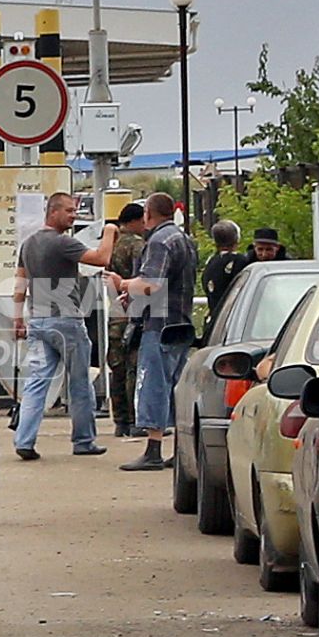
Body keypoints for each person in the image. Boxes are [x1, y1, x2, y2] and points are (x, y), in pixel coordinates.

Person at [11, 192, 116, 460]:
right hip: (66, 320)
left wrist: (18, 317)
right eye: (69, 211)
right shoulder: (62, 243)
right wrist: (110, 231)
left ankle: (24, 439)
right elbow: (102, 259)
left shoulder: (28, 244)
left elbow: (20, 284)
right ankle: (83, 440)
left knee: (37, 382)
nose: (73, 216)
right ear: (53, 212)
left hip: (38, 319)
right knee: (80, 382)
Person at [115, 193, 199, 473]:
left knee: (154, 384)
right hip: (181, 320)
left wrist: (124, 284)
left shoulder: (159, 242)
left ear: (148, 213)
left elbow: (151, 284)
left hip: (159, 325)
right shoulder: (183, 239)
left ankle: (153, 449)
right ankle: (179, 450)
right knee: (175, 386)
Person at [104, 202, 149, 439]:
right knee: (134, 366)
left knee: (117, 367)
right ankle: (134, 419)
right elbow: (143, 280)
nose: (144, 225)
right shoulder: (138, 246)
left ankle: (119, 420)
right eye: (142, 220)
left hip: (115, 313)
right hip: (134, 311)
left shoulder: (112, 245)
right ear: (134, 221)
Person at [201, 219, 251, 333]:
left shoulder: (211, 261)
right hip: (233, 320)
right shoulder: (240, 261)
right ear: (236, 239)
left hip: (214, 319)